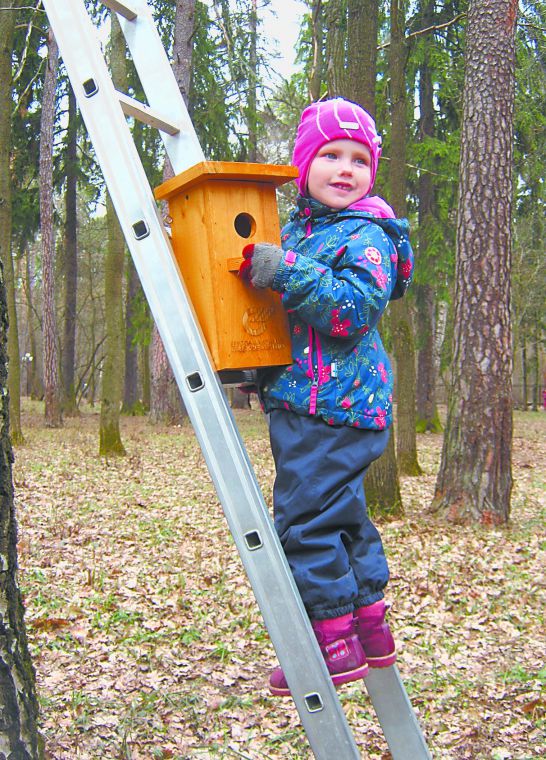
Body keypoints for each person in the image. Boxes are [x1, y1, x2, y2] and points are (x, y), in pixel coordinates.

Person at [239, 98, 414, 697]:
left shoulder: (367, 235)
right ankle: (368, 625)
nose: (346, 169)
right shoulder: (302, 232)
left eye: (359, 159)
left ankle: (330, 643)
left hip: (332, 407)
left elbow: (353, 308)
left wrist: (284, 271)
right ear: (303, 165)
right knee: (340, 516)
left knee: (304, 521)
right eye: (331, 155)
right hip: (320, 401)